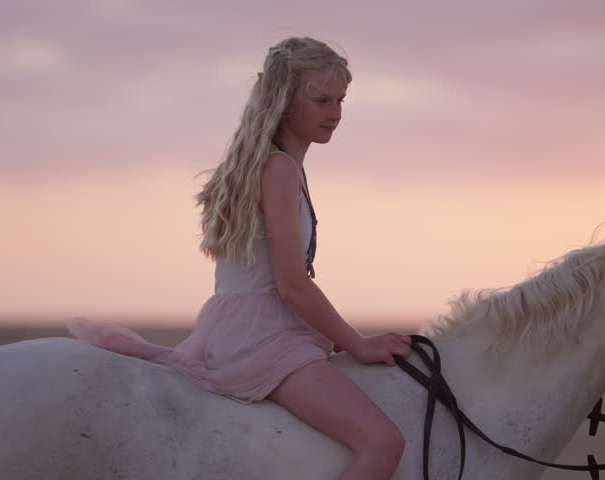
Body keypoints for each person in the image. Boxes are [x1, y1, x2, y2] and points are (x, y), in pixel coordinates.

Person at [68, 36, 412, 479]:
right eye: (323, 100)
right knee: (383, 442)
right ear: (286, 102)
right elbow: (292, 284)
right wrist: (357, 343)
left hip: (243, 327)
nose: (336, 112)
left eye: (341, 100)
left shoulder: (272, 166)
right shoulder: (280, 169)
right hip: (264, 336)